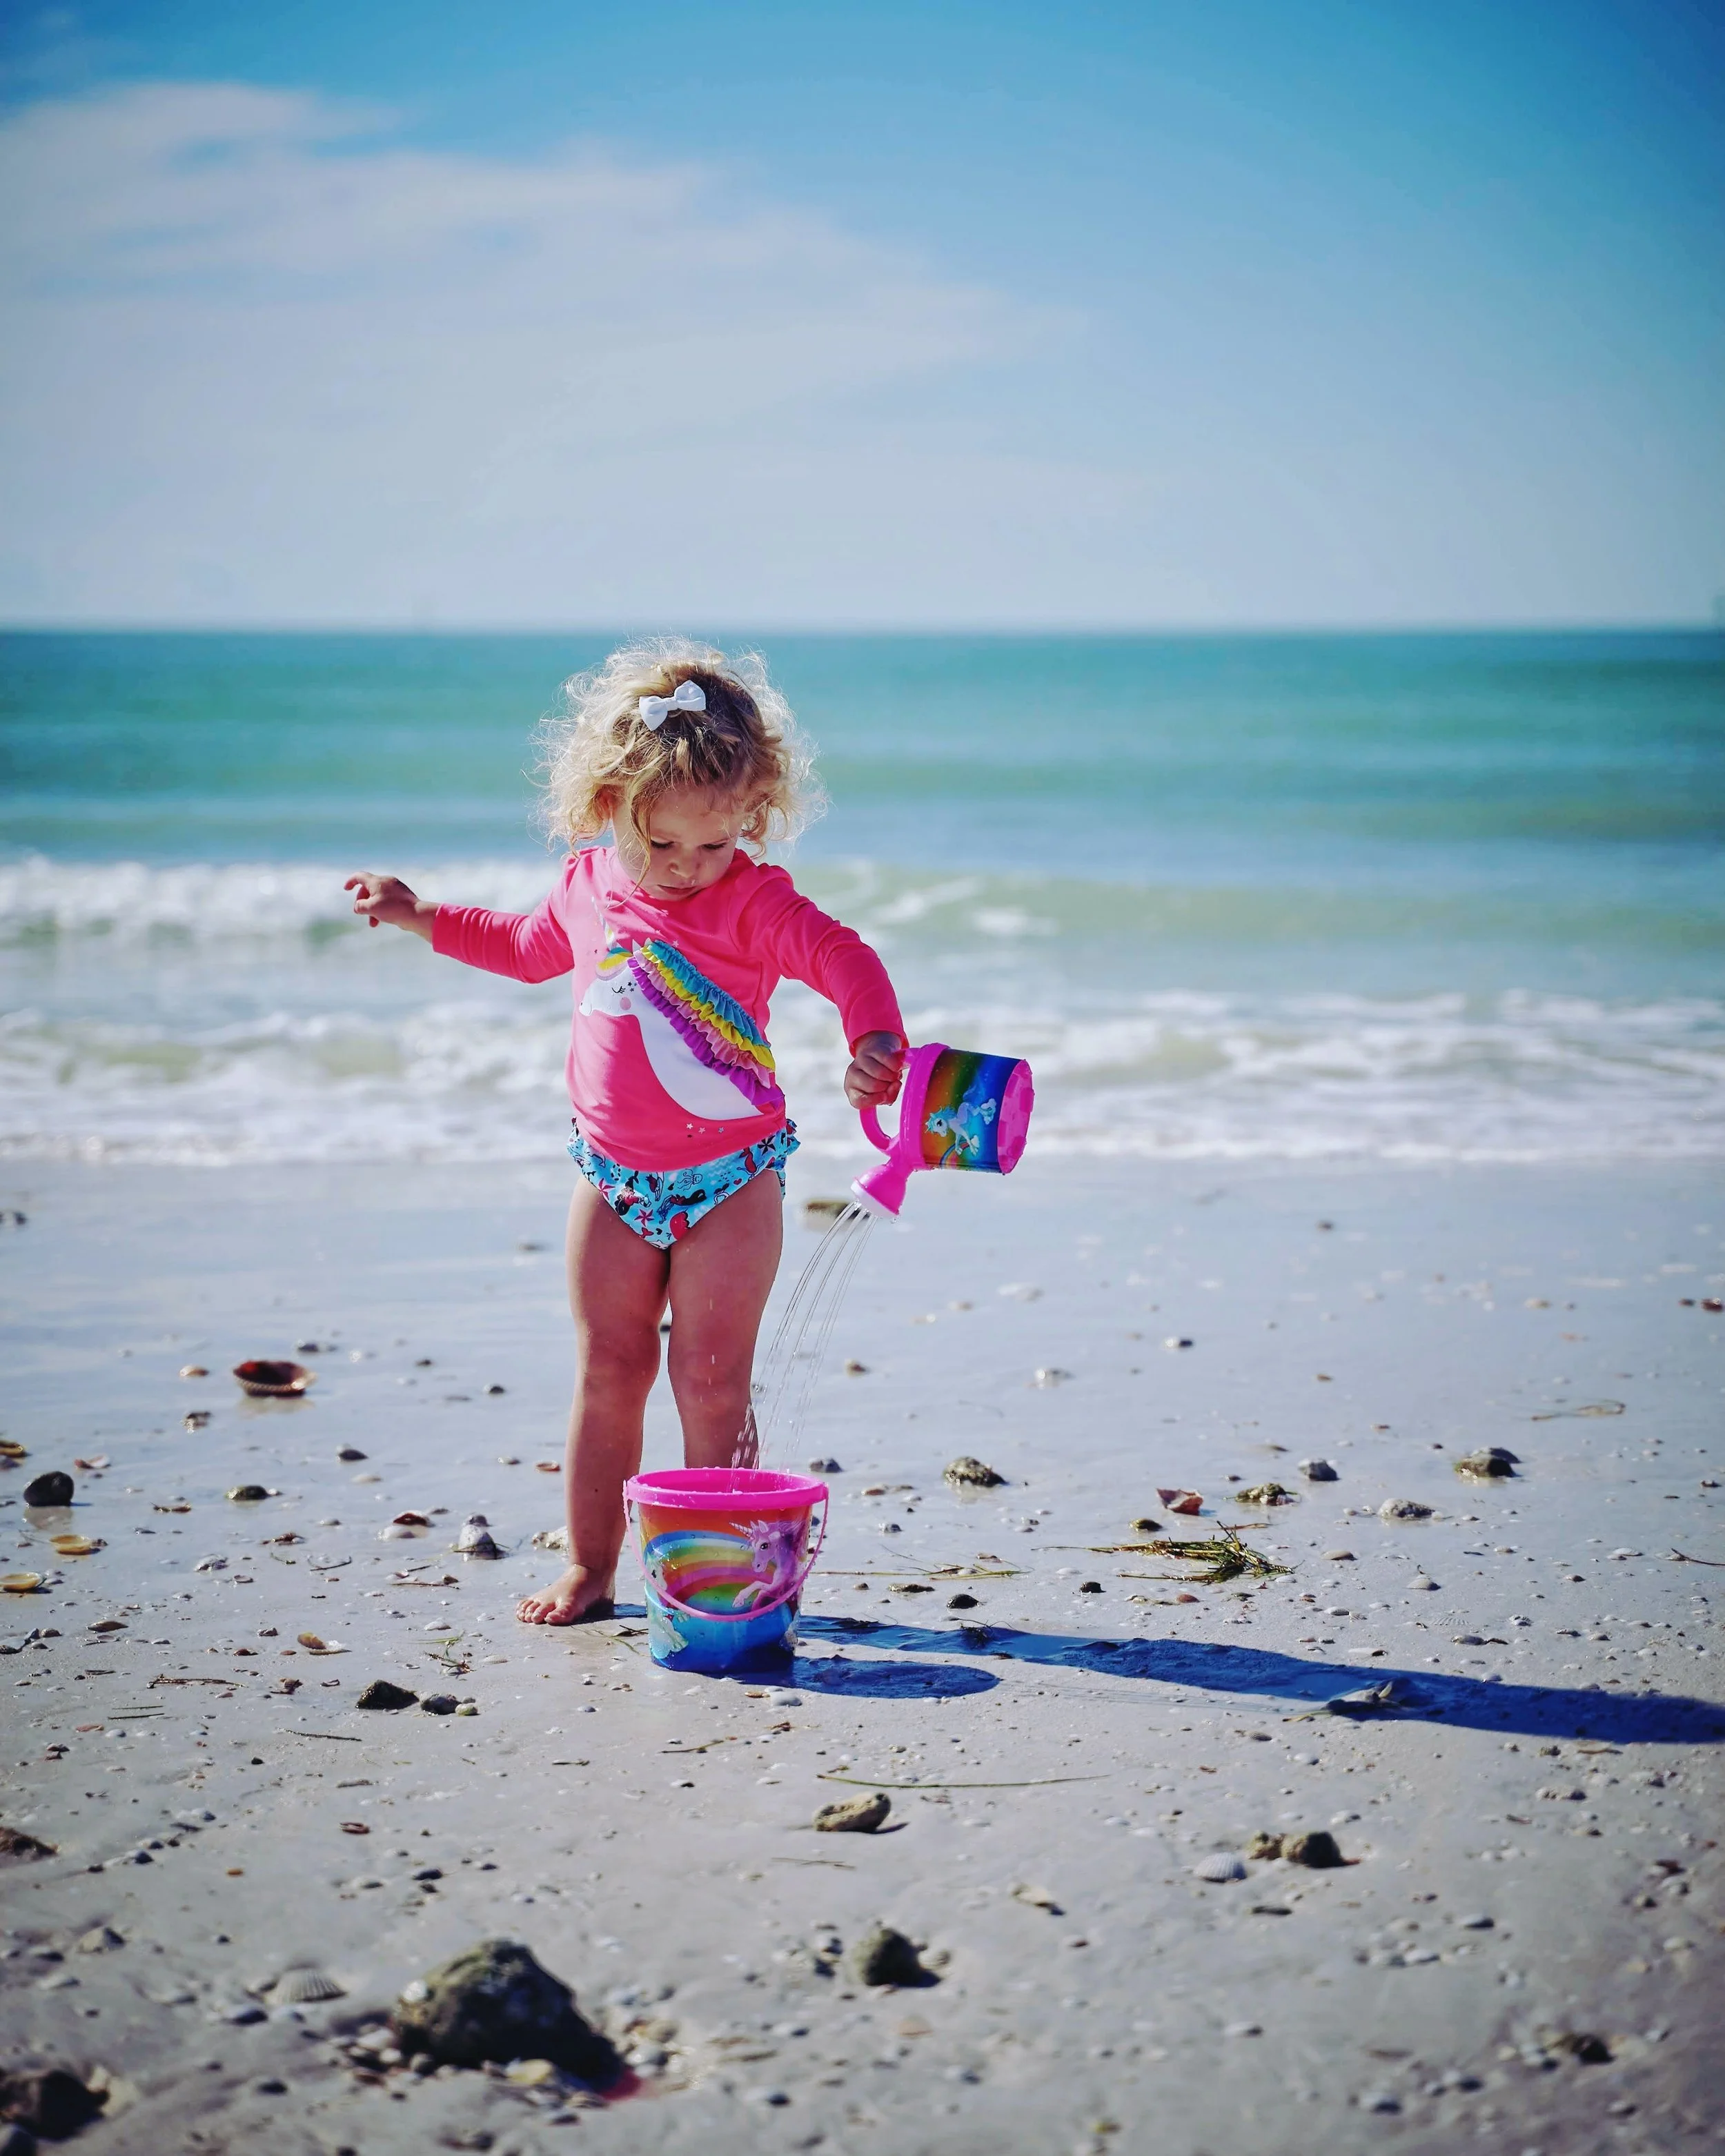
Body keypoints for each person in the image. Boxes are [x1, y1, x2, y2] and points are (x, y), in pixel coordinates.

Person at [344, 642, 905, 1624]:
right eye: (663, 844)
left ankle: (723, 1577)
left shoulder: (754, 900)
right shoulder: (588, 886)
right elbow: (522, 948)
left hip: (731, 1179)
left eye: (715, 844)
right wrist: (419, 913)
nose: (688, 867)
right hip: (610, 1178)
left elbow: (841, 956)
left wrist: (874, 1039)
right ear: (609, 805)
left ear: (751, 815)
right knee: (609, 1371)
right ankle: (591, 1570)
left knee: (711, 1381)